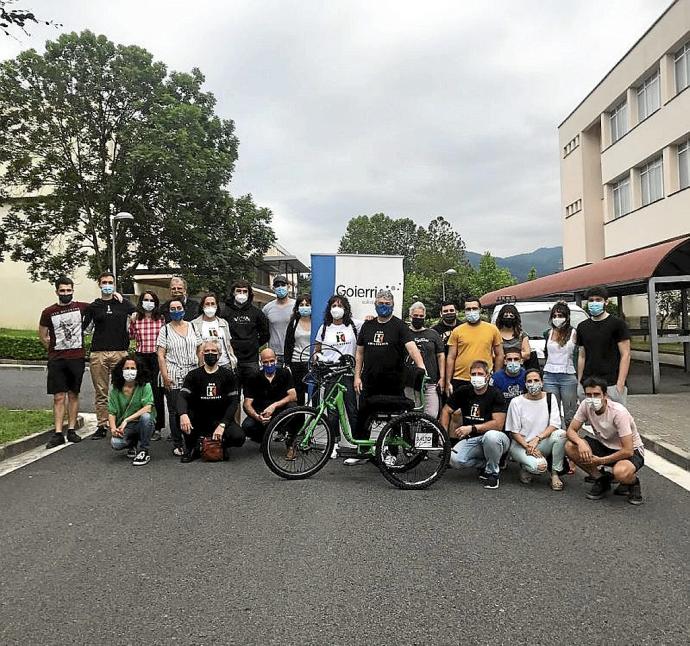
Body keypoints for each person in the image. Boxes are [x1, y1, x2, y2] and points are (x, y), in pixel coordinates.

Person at [348, 289, 426, 466]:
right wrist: (356, 377)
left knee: (395, 418)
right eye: (380, 303)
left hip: (393, 381)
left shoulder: (399, 326)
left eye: (387, 304)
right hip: (369, 380)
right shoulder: (368, 325)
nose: (383, 307)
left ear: (392, 305)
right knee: (364, 415)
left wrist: (421, 367)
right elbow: (359, 353)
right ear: (375, 304)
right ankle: (363, 451)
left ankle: (391, 453)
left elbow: (411, 347)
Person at [565, 376, 644, 505]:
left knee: (620, 473)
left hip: (630, 450)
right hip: (605, 445)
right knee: (570, 446)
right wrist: (580, 443)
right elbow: (571, 430)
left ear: (605, 395)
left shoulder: (619, 413)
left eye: (596, 394)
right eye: (588, 395)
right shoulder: (585, 405)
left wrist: (600, 461)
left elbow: (628, 450)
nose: (592, 399)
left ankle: (633, 482)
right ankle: (601, 479)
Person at [83, 272, 136, 439]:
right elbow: (85, 329)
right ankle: (102, 425)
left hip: (120, 352)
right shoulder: (94, 307)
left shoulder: (124, 303)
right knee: (101, 391)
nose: (107, 284)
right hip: (98, 353)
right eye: (104, 282)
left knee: (123, 388)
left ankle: (123, 423)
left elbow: (138, 315)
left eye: (110, 282)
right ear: (99, 284)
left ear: (114, 284)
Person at [440, 360, 508, 489]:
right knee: (453, 459)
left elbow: (498, 425)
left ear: (487, 376)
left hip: (496, 439)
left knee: (491, 437)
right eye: (473, 374)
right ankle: (484, 464)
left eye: (480, 374)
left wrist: (472, 428)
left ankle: (492, 473)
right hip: (472, 439)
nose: (477, 377)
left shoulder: (495, 394)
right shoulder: (463, 391)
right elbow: (446, 410)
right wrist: (443, 435)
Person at [39, 276, 89, 448]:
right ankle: (58, 432)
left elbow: (101, 307)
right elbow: (43, 335)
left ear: (73, 291)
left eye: (69, 290)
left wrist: (117, 296)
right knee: (58, 396)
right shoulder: (48, 312)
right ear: (57, 292)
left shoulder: (82, 307)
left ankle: (72, 430)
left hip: (76, 359)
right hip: (57, 360)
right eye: (62, 291)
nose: (66, 293)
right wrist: (53, 350)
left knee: (73, 394)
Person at [177, 340, 245, 463]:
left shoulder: (228, 375)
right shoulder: (193, 375)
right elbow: (182, 397)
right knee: (180, 417)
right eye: (207, 351)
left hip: (219, 419)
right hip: (198, 419)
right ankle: (193, 447)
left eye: (213, 351)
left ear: (219, 354)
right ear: (202, 354)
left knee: (238, 437)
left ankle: (221, 445)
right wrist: (183, 414)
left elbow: (233, 402)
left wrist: (223, 424)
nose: (210, 354)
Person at [314, 294, 362, 459]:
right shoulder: (324, 328)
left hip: (348, 373)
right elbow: (317, 351)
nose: (336, 308)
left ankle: (358, 445)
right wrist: (319, 359)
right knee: (332, 411)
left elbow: (369, 332)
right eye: (333, 305)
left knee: (352, 411)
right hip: (331, 374)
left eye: (340, 305)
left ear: (346, 308)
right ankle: (333, 444)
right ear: (329, 308)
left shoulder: (355, 325)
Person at [506, 368, 566, 491]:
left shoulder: (550, 398)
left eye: (536, 380)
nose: (533, 384)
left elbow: (554, 424)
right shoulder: (516, 402)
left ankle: (555, 474)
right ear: (525, 384)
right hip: (521, 444)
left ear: (542, 382)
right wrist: (527, 446)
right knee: (540, 467)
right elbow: (514, 432)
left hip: (541, 442)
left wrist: (538, 438)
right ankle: (525, 466)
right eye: (529, 381)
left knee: (561, 434)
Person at [156, 299, 202, 456]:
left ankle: (194, 439)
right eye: (172, 308)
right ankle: (178, 441)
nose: (176, 310)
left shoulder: (193, 326)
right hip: (173, 373)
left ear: (184, 309)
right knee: (175, 410)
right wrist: (165, 375)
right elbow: (161, 355)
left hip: (192, 373)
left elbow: (199, 349)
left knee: (193, 408)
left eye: (179, 308)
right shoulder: (165, 330)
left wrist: (202, 371)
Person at [222, 279, 270, 420]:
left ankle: (254, 423)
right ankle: (234, 428)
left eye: (245, 291)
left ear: (249, 294)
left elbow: (265, 334)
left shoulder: (257, 313)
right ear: (233, 293)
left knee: (253, 396)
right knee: (233, 396)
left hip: (251, 361)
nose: (241, 294)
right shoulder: (225, 311)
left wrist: (253, 345)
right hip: (232, 361)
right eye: (239, 291)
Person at [576, 285, 631, 405]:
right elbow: (582, 356)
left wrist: (620, 384)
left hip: (611, 384)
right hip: (588, 384)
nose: (594, 303)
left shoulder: (618, 324)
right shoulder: (582, 327)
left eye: (598, 300)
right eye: (591, 300)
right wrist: (579, 381)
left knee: (615, 421)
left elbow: (625, 355)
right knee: (590, 421)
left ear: (606, 302)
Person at [242, 349, 298, 452]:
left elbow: (293, 396)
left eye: (272, 361)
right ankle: (263, 438)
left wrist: (274, 406)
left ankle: (291, 442)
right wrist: (257, 416)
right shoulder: (253, 377)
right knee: (247, 426)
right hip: (262, 413)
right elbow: (247, 404)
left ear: (276, 360)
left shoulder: (284, 373)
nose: (269, 364)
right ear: (260, 362)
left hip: (280, 411)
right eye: (265, 362)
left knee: (293, 408)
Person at [445, 296, 504, 394]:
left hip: (483, 378)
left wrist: (495, 376)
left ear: (480, 310)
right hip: (460, 378)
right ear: (464, 311)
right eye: (468, 309)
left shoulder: (492, 329)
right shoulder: (457, 331)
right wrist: (448, 381)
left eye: (474, 308)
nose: (471, 311)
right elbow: (451, 357)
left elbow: (500, 355)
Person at [129, 290, 166, 441]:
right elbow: (131, 335)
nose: (148, 303)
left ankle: (157, 427)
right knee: (141, 392)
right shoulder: (136, 318)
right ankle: (141, 424)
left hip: (156, 357)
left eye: (151, 300)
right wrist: (131, 320)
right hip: (141, 357)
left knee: (157, 392)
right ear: (141, 302)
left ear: (156, 303)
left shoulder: (161, 319)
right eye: (146, 300)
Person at [108, 356, 155, 466]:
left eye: (133, 368)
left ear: (138, 370)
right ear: (121, 370)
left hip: (143, 423)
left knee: (146, 417)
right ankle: (132, 444)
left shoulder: (145, 386)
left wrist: (127, 420)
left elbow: (148, 407)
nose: (130, 371)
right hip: (126, 427)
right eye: (127, 368)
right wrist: (113, 428)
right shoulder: (116, 390)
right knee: (115, 443)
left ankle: (144, 450)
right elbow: (111, 411)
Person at [543, 302, 579, 430]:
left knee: (570, 413)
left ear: (567, 317)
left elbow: (579, 355)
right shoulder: (548, 333)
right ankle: (555, 440)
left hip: (568, 376)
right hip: (549, 376)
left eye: (560, 315)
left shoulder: (574, 333)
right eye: (555, 315)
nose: (557, 318)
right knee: (552, 411)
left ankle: (572, 440)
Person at [406, 302, 444, 418]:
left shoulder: (433, 334)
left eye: (421, 316)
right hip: (410, 383)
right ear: (410, 316)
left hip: (430, 382)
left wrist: (442, 377)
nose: (418, 318)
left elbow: (440, 356)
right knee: (411, 415)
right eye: (415, 316)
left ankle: (428, 436)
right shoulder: (404, 333)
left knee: (432, 414)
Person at [191, 292, 237, 371]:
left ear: (216, 306)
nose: (210, 306)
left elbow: (228, 344)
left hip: (224, 364)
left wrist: (233, 360)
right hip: (204, 366)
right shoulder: (194, 324)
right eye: (207, 304)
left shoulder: (224, 323)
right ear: (202, 306)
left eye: (212, 304)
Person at [283, 294, 312, 405]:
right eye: (302, 305)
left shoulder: (317, 322)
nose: (304, 307)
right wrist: (287, 363)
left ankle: (317, 420)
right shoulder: (294, 323)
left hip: (311, 363)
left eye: (307, 304)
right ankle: (299, 420)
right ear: (297, 307)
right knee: (299, 395)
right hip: (296, 363)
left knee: (314, 394)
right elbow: (288, 343)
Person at [262, 275, 295, 364]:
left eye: (283, 285)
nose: (280, 287)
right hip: (274, 354)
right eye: (277, 285)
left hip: (293, 353)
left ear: (288, 287)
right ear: (273, 288)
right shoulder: (267, 308)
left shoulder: (296, 306)